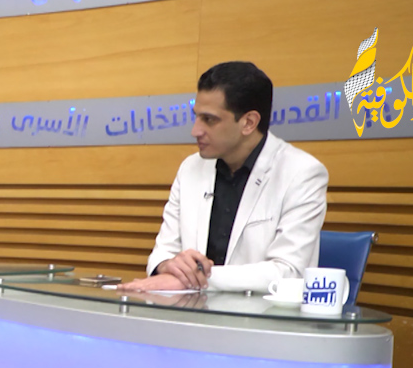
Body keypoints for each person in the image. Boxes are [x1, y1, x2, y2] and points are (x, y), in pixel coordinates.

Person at [121, 62, 328, 294]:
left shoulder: (302, 173)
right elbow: (162, 252)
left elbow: (288, 271)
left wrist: (196, 278)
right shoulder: (190, 168)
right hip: (190, 311)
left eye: (209, 120)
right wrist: (168, 265)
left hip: (260, 314)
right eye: (196, 117)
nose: (195, 131)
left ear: (248, 123)